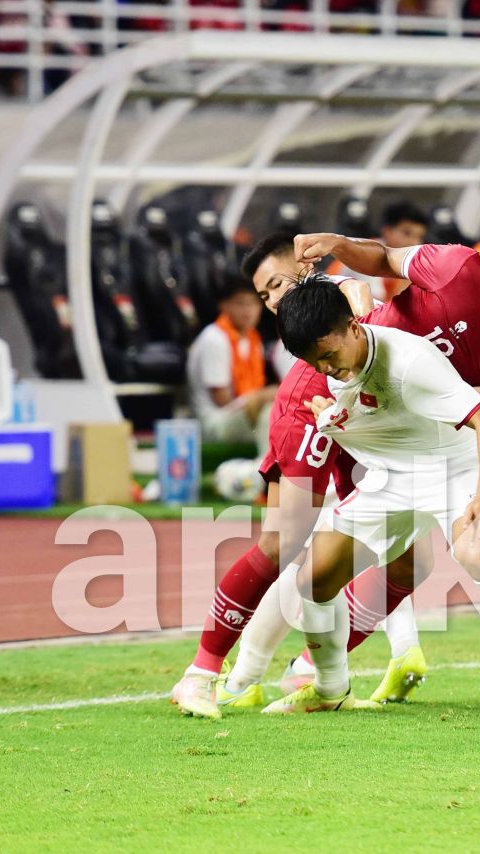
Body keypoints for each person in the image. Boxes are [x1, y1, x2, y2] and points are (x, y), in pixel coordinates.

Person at [236, 227, 480, 695]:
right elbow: (383, 259)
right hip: (336, 382)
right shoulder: (460, 270)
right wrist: (338, 244)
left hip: (392, 439)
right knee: (295, 541)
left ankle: (322, 668)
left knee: (400, 563)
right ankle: (241, 674)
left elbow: (469, 411)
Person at [173, 243, 412, 720]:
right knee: (284, 542)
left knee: (407, 559)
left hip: (360, 417)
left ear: (306, 266)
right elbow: (353, 292)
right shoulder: (340, 295)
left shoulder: (344, 288)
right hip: (312, 410)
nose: (273, 302)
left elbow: (356, 290)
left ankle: (305, 672)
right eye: (264, 295)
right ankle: (203, 675)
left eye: (276, 286)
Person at [185, 275, 278, 455]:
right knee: (271, 409)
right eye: (241, 303)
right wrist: (258, 399)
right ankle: (264, 472)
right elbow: (223, 401)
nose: (248, 311)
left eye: (253, 303)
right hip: (214, 423)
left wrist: (259, 399)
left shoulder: (253, 340)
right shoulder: (215, 338)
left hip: (239, 416)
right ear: (224, 306)